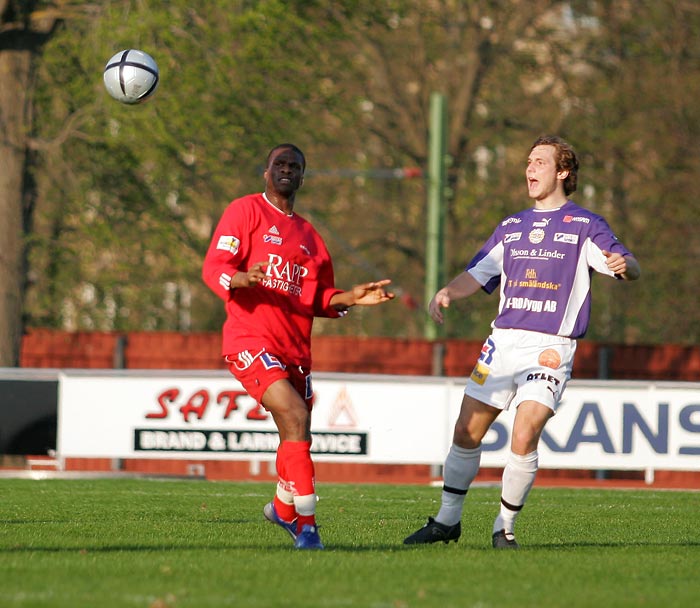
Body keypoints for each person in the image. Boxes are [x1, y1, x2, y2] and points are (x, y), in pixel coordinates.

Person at [404, 135, 640, 549]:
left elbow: (625, 265)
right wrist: (446, 292)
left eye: (539, 162)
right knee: (467, 432)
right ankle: (446, 522)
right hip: (504, 343)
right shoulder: (511, 227)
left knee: (526, 428)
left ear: (562, 172)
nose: (529, 170)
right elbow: (477, 273)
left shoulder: (585, 224)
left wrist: (628, 265)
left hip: (551, 346)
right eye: (528, 162)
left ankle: (504, 527)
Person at [202, 143, 395, 550]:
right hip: (250, 339)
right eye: (279, 164)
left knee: (297, 432)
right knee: (293, 414)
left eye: (295, 166)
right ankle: (306, 526)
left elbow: (318, 298)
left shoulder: (310, 238)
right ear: (266, 171)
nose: (286, 170)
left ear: (302, 177)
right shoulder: (245, 211)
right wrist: (240, 280)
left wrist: (351, 298)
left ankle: (282, 506)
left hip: (295, 350)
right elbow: (214, 267)